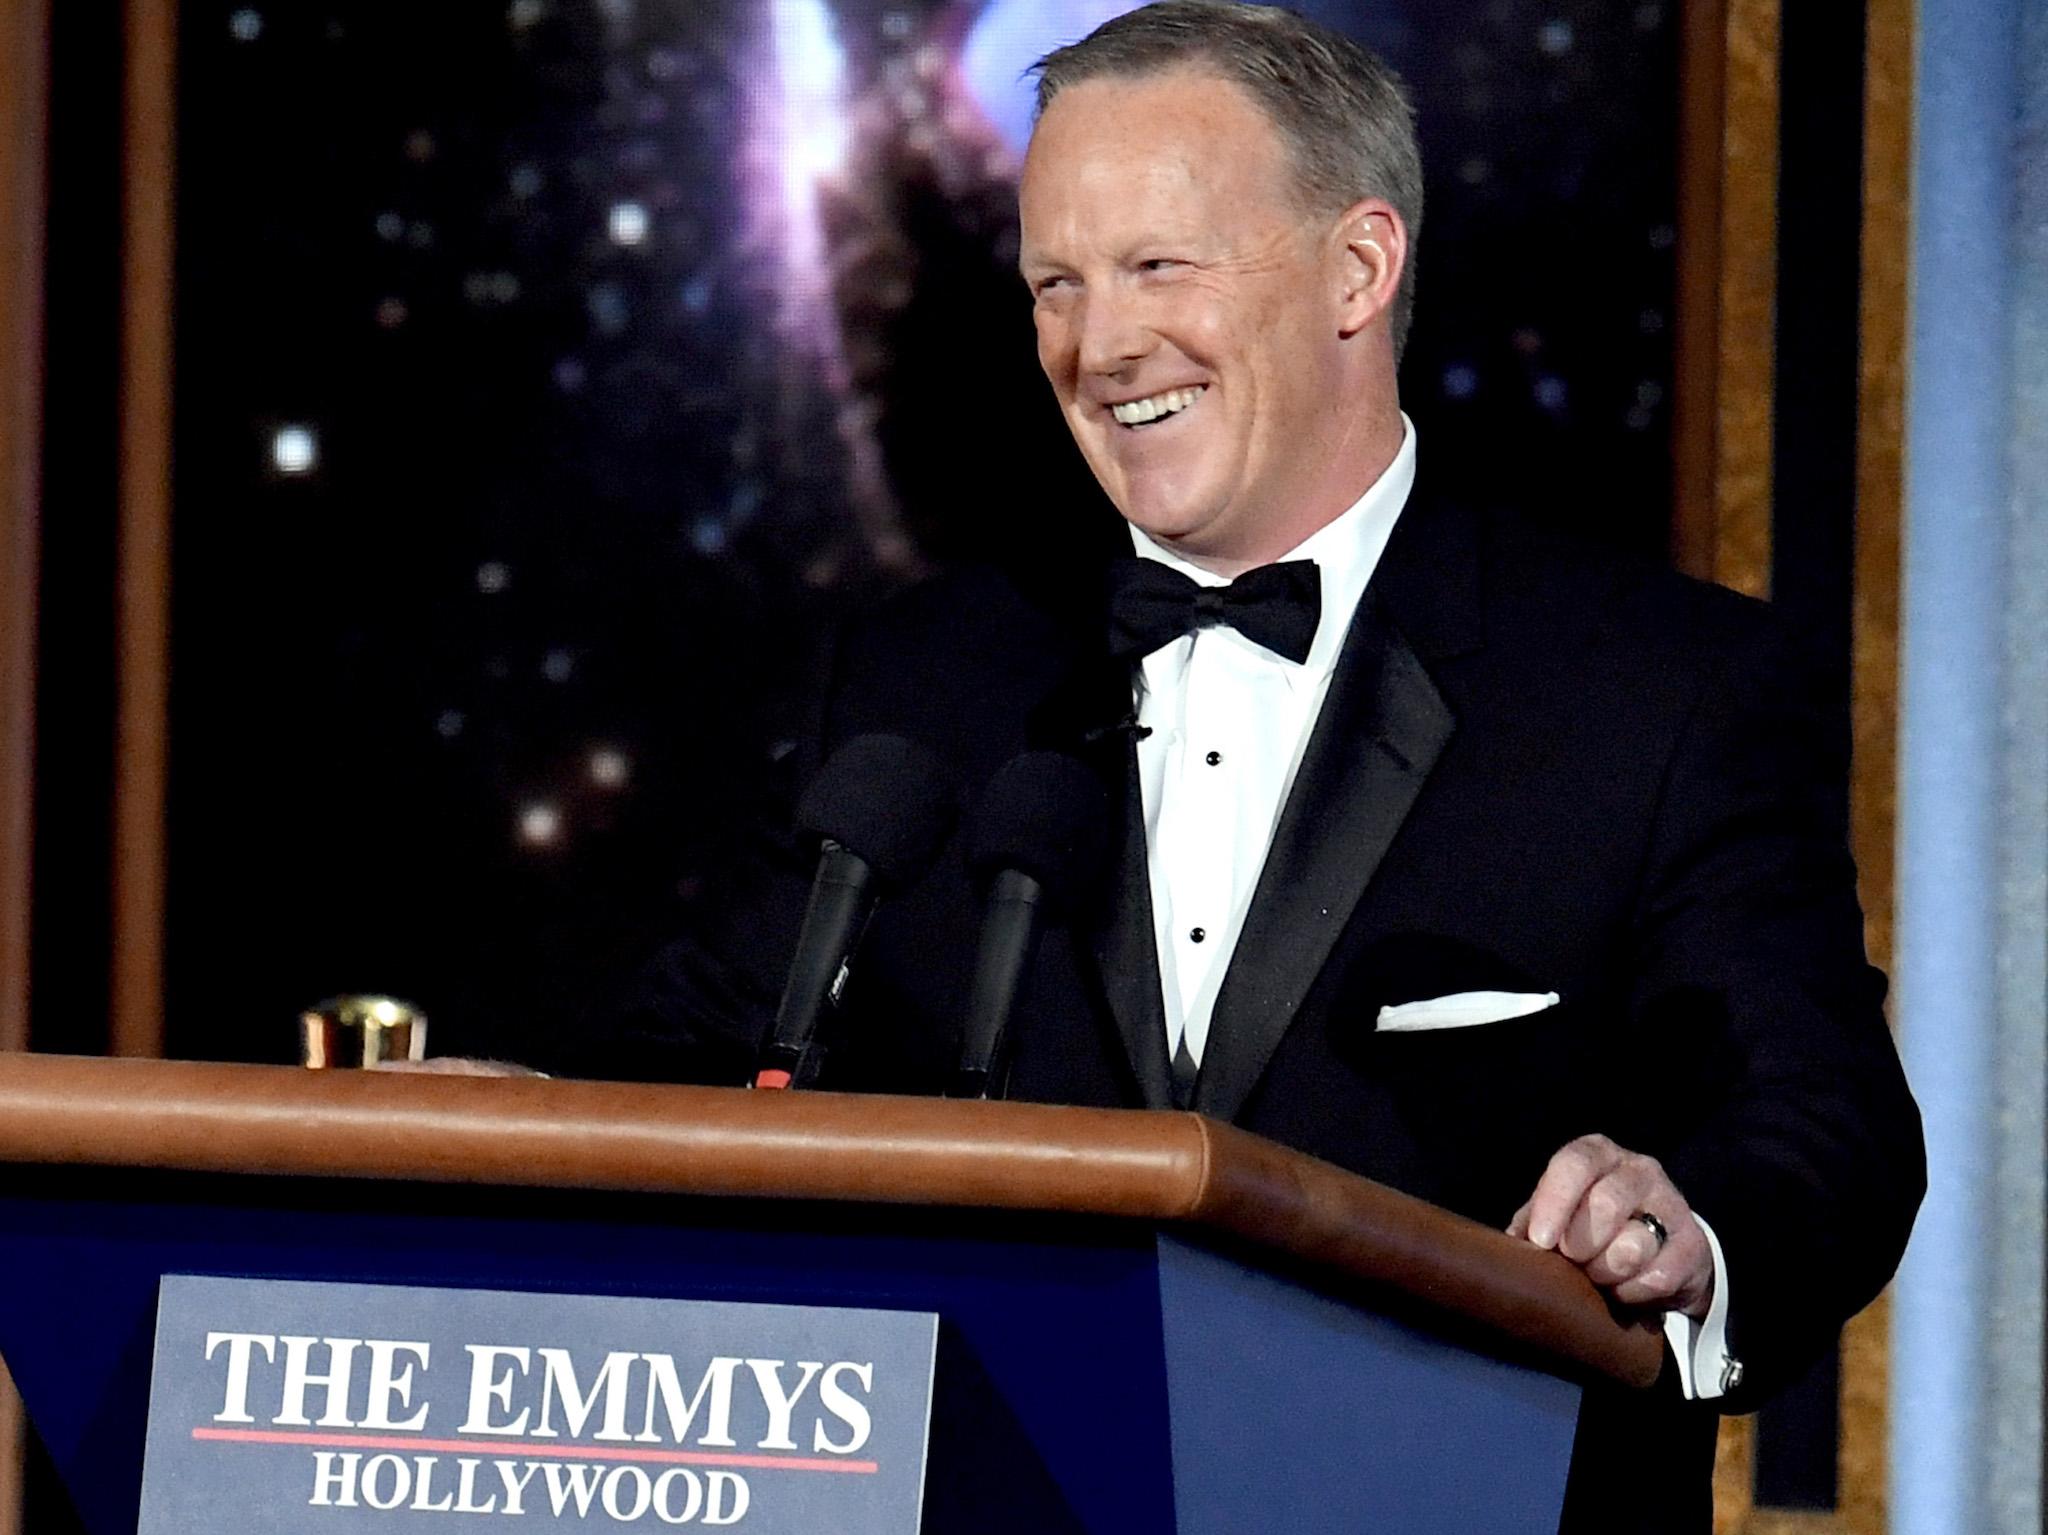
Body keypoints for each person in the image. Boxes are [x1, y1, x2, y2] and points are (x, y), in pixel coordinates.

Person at [454, 4, 1922, 1528]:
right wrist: (517, 1126)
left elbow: (1821, 1126)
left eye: (1161, 266)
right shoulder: (926, 683)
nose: (1102, 346)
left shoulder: (1657, 690)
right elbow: (720, 1053)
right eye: (1055, 286)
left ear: (1359, 268)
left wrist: (1688, 1229)